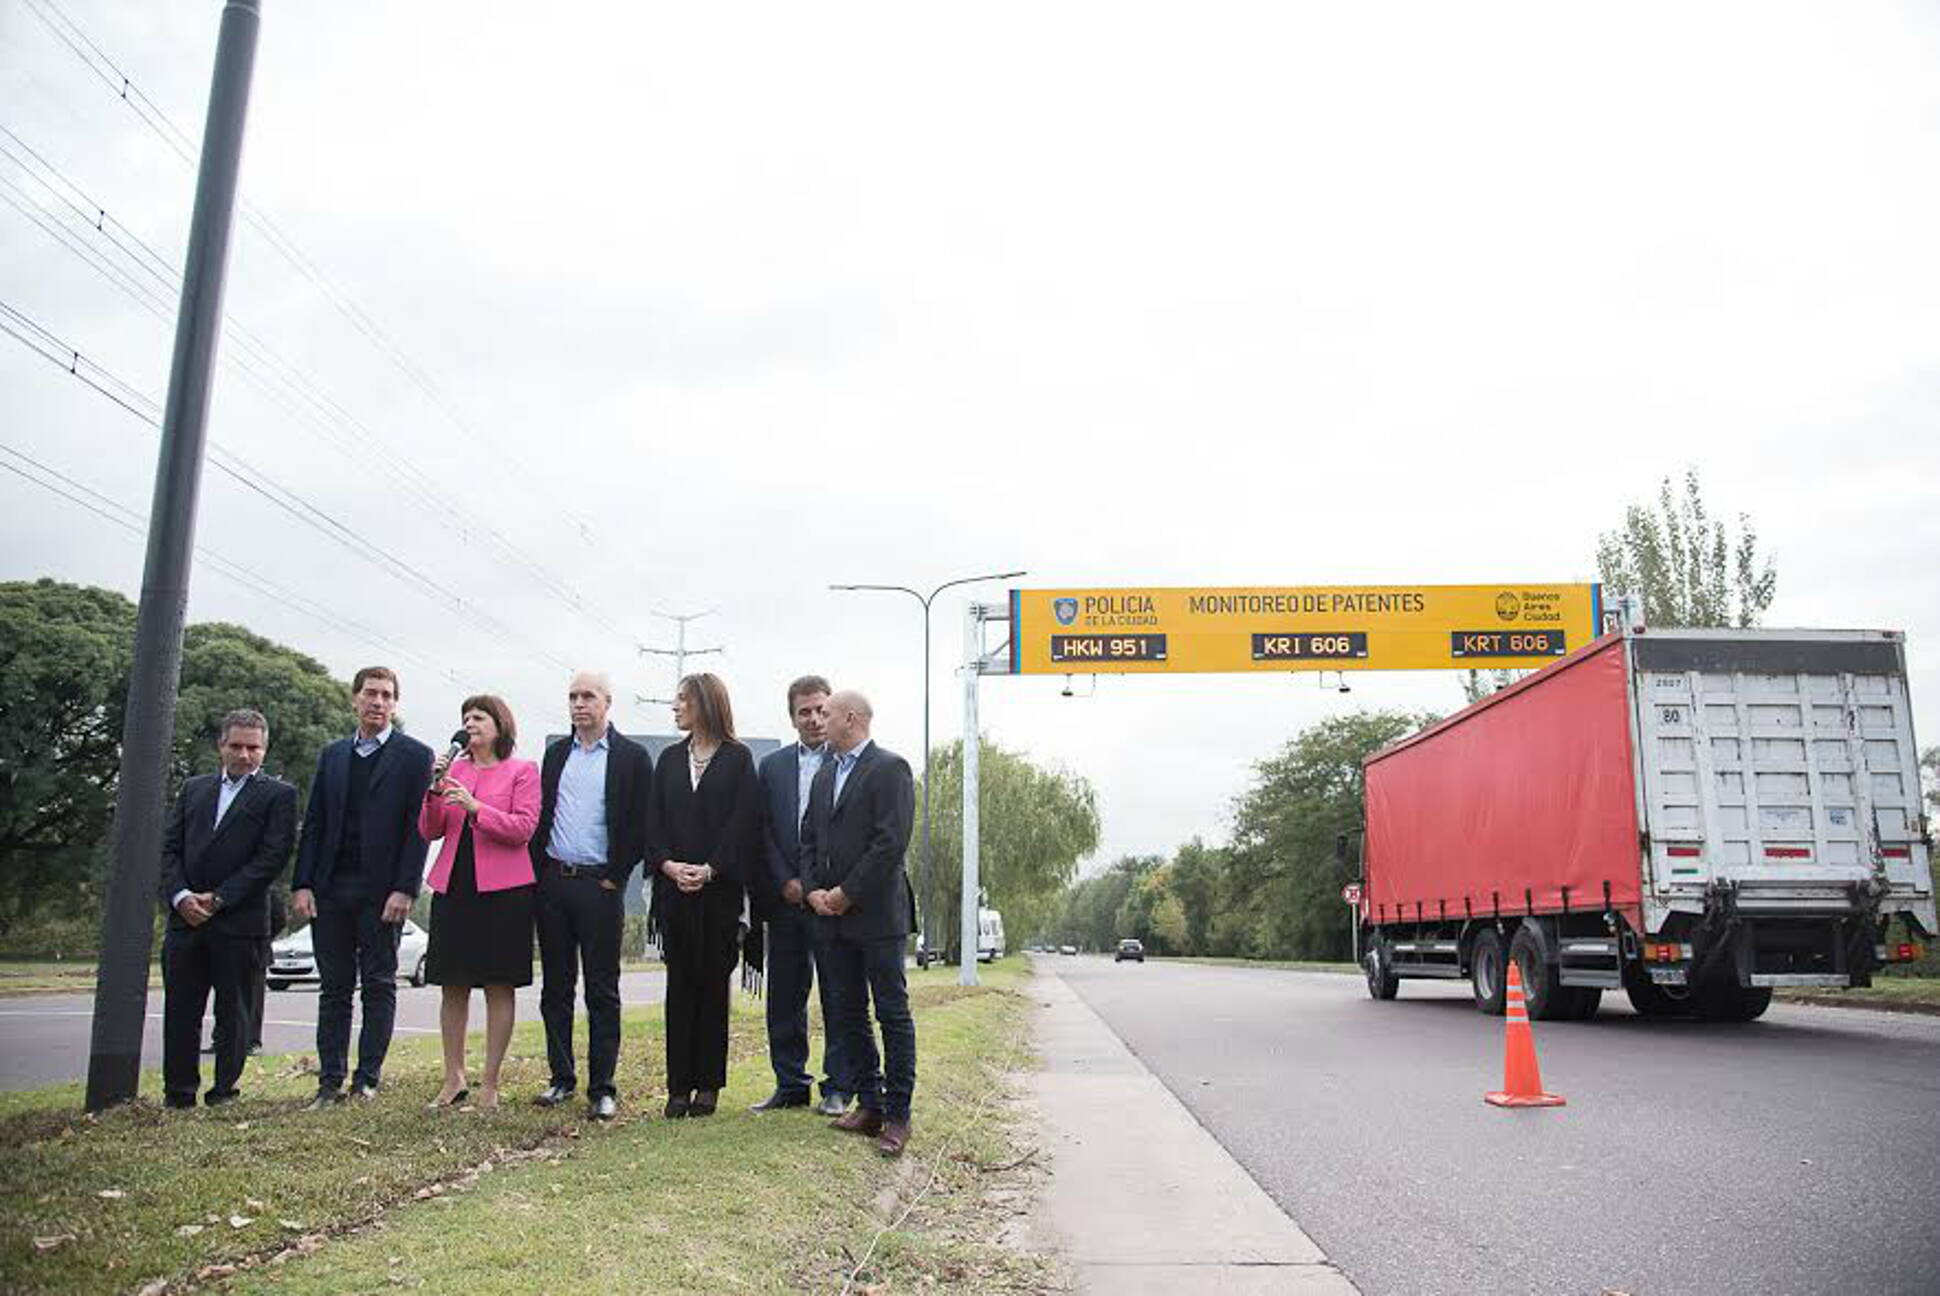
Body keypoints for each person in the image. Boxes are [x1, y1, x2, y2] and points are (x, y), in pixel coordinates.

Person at [292, 666, 434, 1108]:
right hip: (332, 887)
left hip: (383, 891)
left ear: (395, 703)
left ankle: (366, 1078)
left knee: (378, 983)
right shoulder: (333, 755)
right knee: (334, 987)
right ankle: (329, 1080)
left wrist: (405, 888)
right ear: (354, 699)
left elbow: (420, 829)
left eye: (387, 695)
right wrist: (303, 883)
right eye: (370, 693)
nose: (378, 702)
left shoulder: (415, 756)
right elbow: (313, 822)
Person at [158, 709, 298, 1108]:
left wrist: (219, 898)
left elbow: (272, 857)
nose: (244, 755)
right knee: (181, 1010)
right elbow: (170, 849)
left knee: (234, 1013)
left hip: (240, 921)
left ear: (264, 749)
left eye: (253, 747)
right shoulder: (194, 789)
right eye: (236, 746)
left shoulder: (278, 795)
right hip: (185, 921)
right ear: (221, 746)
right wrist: (182, 896)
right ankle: (179, 1094)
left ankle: (224, 1091)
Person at [799, 690, 918, 1157]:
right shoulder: (825, 772)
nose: (816, 722)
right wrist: (813, 891)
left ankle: (897, 1115)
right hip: (829, 917)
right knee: (847, 1013)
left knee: (891, 1013)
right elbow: (808, 839)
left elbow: (890, 844)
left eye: (825, 714)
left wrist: (847, 893)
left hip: (876, 915)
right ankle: (868, 1103)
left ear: (851, 718)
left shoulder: (890, 769)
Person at [530, 670, 653, 1121]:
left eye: (589, 696)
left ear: (607, 702)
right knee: (555, 988)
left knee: (602, 990)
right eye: (573, 697)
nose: (580, 704)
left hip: (600, 887)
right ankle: (561, 1078)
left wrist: (616, 876)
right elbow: (543, 815)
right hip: (555, 883)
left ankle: (603, 1088)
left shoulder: (632, 758)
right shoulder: (556, 754)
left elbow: (642, 824)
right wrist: (540, 874)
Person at [644, 672, 760, 1118]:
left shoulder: (738, 759)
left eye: (681, 701)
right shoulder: (669, 760)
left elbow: (743, 823)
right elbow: (652, 822)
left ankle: (708, 1085)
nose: (675, 708)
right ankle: (678, 1086)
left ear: (704, 704)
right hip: (674, 893)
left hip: (719, 893)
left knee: (713, 985)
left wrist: (712, 869)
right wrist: (669, 866)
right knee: (680, 985)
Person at [419, 694, 540, 1110]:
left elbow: (523, 827)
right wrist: (434, 791)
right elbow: (430, 831)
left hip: (505, 891)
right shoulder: (453, 770)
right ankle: (453, 1078)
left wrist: (476, 808)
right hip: (455, 887)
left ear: (499, 725)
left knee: (497, 983)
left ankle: (490, 1083)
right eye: (465, 717)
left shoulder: (522, 770)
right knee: (452, 983)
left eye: (479, 717)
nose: (470, 724)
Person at [751, 674, 852, 1116]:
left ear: (833, 711)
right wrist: (785, 882)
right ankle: (790, 1083)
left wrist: (825, 890)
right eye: (803, 711)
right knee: (785, 995)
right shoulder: (771, 767)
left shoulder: (851, 760)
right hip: (786, 897)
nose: (813, 719)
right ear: (791, 717)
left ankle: (838, 1086)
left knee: (837, 992)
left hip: (832, 901)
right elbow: (764, 832)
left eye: (819, 710)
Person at [246, 885, 289, 1055]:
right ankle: (222, 1038)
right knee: (227, 996)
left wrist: (265, 936)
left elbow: (280, 918)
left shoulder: (266, 888)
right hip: (232, 947)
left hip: (257, 948)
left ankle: (252, 1040)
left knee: (254, 999)